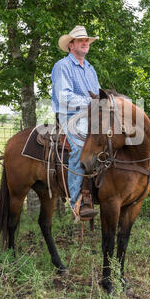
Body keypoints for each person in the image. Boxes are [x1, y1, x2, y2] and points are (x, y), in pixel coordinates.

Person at [51, 25, 100, 219]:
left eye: (87, 41)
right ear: (71, 45)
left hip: (91, 114)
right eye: (81, 41)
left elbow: (97, 92)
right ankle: (76, 201)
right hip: (70, 115)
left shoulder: (90, 68)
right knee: (80, 147)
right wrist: (91, 103)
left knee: (113, 138)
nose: (85, 43)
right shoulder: (62, 66)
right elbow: (63, 96)